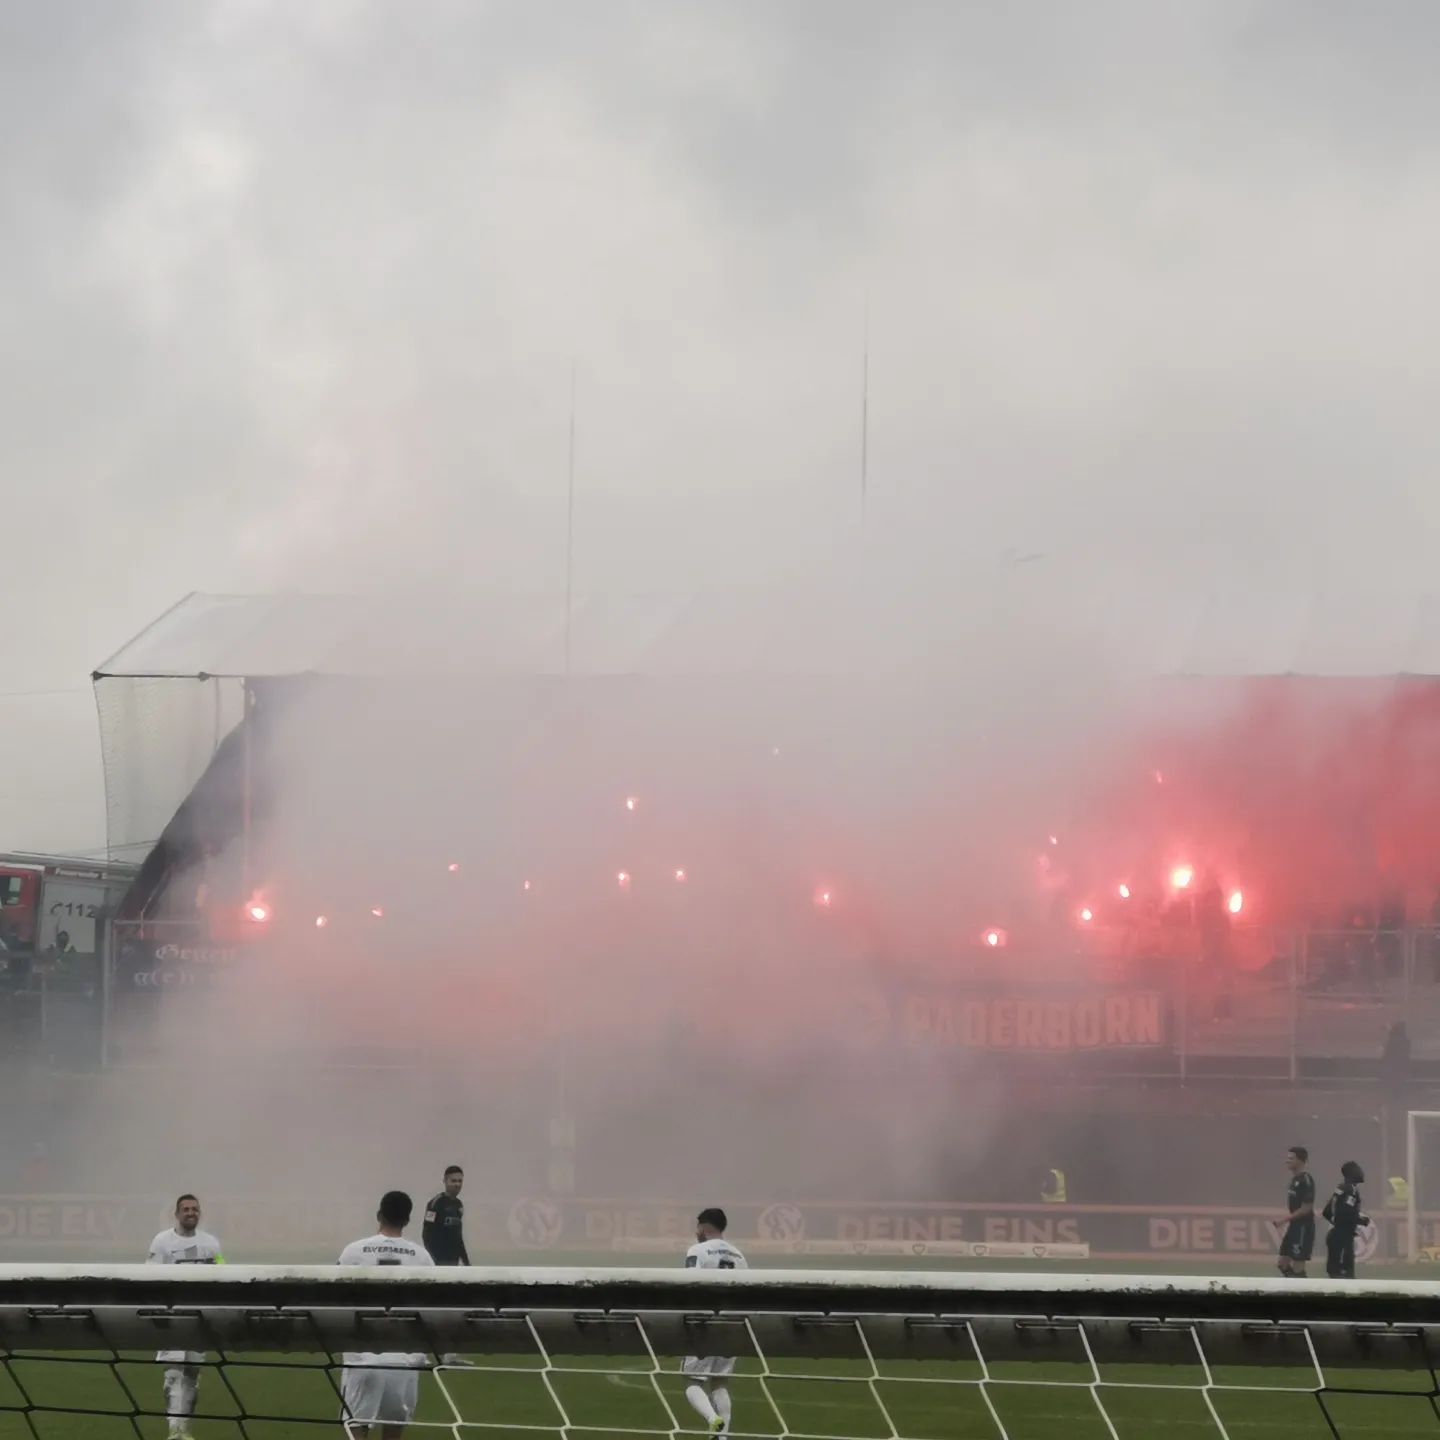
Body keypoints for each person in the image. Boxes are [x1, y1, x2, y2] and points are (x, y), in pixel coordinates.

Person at [338, 1191, 434, 1439]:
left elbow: (335, 1300)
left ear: (379, 1214)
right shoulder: (422, 1257)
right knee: (393, 1434)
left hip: (362, 1357)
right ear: (407, 1220)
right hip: (404, 1360)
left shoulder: (353, 1252)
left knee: (357, 1429)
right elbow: (432, 1307)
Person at [147, 1195, 225, 1440]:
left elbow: (224, 1271)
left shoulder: (211, 1243)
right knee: (174, 1373)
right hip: (171, 1318)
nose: (191, 1213)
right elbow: (149, 1276)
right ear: (177, 1214)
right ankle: (175, 1431)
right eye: (186, 1209)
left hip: (199, 1320)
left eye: (195, 1209)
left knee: (191, 1375)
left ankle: (183, 1428)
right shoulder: (162, 1242)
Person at [682, 1208, 747, 1435]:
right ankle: (722, 1436)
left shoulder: (698, 1250)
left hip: (704, 1323)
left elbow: (690, 1284)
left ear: (703, 1226)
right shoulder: (739, 1256)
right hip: (733, 1325)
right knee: (720, 1383)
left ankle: (712, 1418)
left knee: (692, 1382)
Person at [1322, 1160, 1369, 1279]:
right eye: (1358, 1169)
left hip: (1335, 1236)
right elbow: (1345, 1213)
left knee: (1334, 1274)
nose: (1361, 1172)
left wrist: (1337, 1223)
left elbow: (1326, 1212)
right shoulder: (1351, 1190)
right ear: (1352, 1173)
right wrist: (1360, 1220)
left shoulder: (1340, 1188)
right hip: (1342, 1238)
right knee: (1345, 1279)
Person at [1276, 1146, 1315, 1278]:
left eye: (1291, 1158)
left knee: (1298, 1267)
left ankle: (1303, 1292)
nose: (1287, 1161)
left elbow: (1306, 1208)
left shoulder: (1307, 1180)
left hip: (1303, 1227)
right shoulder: (1294, 1180)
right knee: (1282, 1263)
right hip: (1294, 1226)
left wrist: (1284, 1219)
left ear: (1300, 1160)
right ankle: (1294, 1286)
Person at [422, 1166, 469, 1266]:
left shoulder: (459, 1205)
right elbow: (426, 1234)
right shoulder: (435, 1203)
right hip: (438, 1262)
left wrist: (466, 1261)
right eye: (453, 1181)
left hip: (453, 1262)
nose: (457, 1184)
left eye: (460, 1181)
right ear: (445, 1181)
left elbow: (458, 1236)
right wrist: (434, 1260)